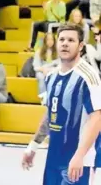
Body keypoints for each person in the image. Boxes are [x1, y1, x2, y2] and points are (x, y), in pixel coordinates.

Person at [22, 23, 101, 185]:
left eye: (71, 40)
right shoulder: (51, 76)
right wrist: (33, 146)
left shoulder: (88, 76)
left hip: (78, 161)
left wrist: (79, 155)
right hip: (54, 157)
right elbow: (51, 114)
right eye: (62, 39)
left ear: (80, 46)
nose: (65, 43)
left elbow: (97, 117)